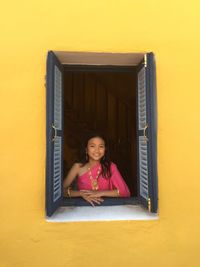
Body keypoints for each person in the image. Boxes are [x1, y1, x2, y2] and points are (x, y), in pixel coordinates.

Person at [63, 133, 130, 206]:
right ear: (86, 149)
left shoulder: (110, 167)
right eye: (92, 146)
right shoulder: (77, 167)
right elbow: (60, 192)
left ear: (105, 150)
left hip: (107, 208)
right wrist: (80, 193)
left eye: (101, 146)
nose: (97, 150)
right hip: (83, 208)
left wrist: (100, 193)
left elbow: (124, 192)